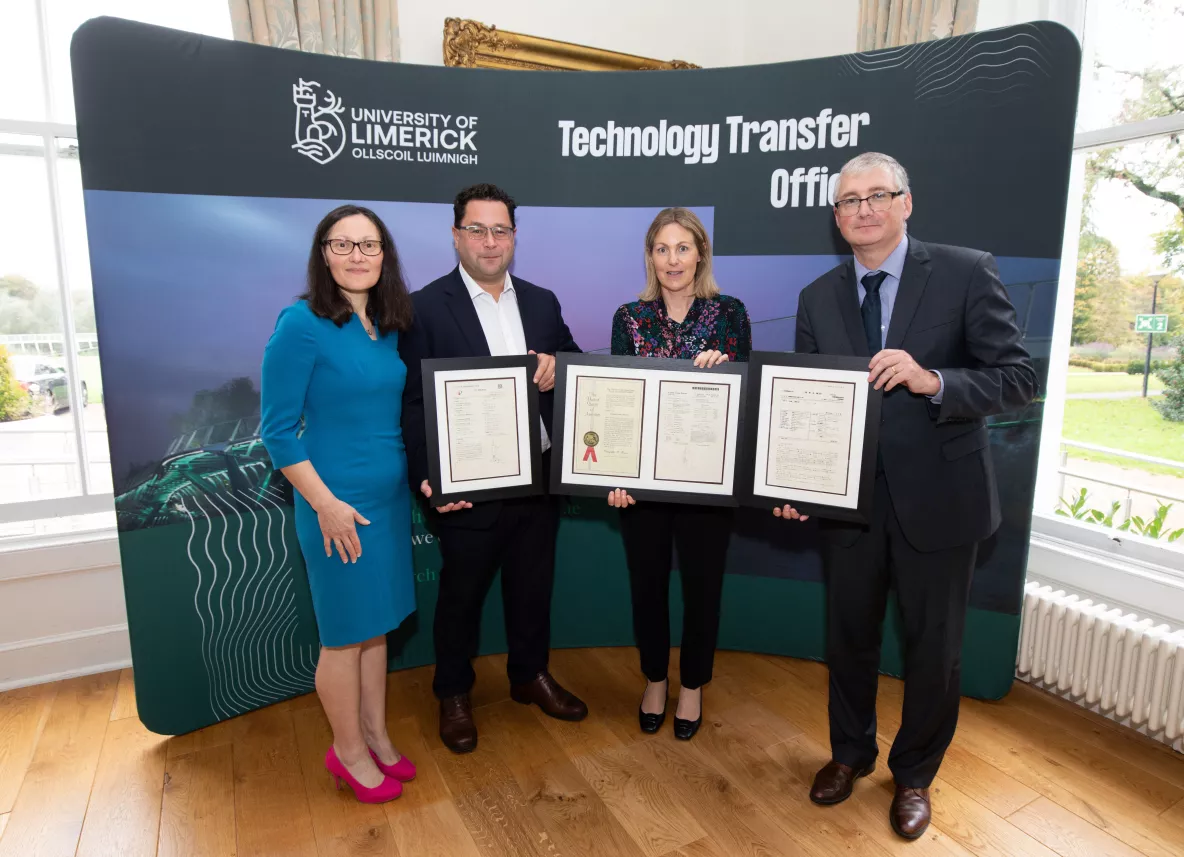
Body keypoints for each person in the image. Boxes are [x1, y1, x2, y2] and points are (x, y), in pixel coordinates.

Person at [775, 152, 1038, 838]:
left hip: (942, 503)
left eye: (876, 195)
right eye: (848, 201)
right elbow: (805, 406)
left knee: (934, 649)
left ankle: (915, 774)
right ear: (835, 217)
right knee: (850, 640)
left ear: (906, 202)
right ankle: (850, 754)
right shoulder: (816, 297)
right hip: (849, 504)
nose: (862, 209)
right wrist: (793, 481)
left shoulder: (964, 270)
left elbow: (1018, 378)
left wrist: (935, 381)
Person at [399, 183, 588, 754]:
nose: (489, 241)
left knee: (533, 590)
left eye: (500, 229)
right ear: (456, 235)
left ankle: (530, 676)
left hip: (539, 480)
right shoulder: (423, 308)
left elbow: (577, 364)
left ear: (514, 236)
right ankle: (453, 693)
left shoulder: (542, 301)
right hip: (469, 488)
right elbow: (409, 401)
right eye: (476, 229)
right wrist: (427, 476)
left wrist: (561, 365)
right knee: (461, 596)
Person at [260, 205, 419, 804]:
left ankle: (375, 735)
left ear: (385, 255)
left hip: (388, 498)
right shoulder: (300, 324)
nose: (357, 255)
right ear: (323, 253)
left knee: (376, 628)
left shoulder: (388, 322)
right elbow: (277, 431)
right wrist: (324, 504)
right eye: (343, 244)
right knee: (344, 635)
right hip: (336, 506)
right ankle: (346, 751)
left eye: (369, 245)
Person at [607, 207, 752, 741]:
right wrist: (617, 476)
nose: (672, 260)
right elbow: (621, 403)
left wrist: (726, 370)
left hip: (705, 483)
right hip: (642, 486)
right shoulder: (629, 318)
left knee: (702, 587)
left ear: (701, 254)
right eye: (662, 249)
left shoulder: (730, 314)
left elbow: (745, 400)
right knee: (646, 585)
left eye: (683, 248)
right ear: (650, 256)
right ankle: (654, 680)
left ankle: (692, 685)